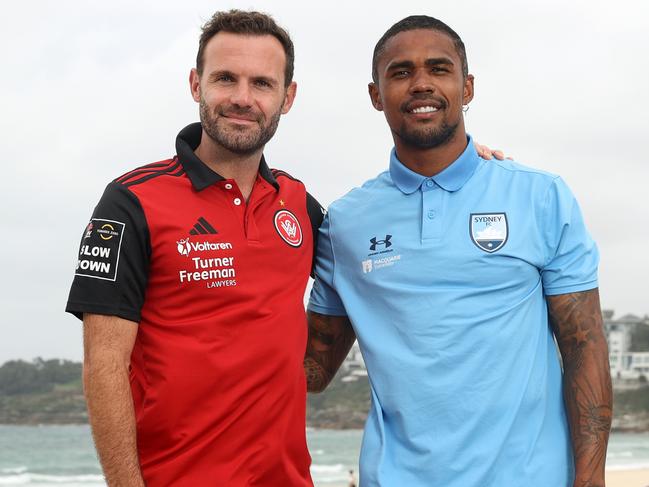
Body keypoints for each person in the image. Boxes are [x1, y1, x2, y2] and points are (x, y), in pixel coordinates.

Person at [305, 15, 612, 487]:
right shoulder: (344, 223)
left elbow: (584, 348)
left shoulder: (540, 197)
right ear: (375, 95)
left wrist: (590, 480)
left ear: (467, 87)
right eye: (401, 72)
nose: (421, 84)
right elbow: (314, 369)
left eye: (439, 69)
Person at [66, 10, 323, 486]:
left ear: (287, 97)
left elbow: (371, 273)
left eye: (262, 84)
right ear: (195, 83)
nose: (242, 99)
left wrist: (469, 159)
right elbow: (103, 368)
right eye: (225, 78)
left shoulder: (299, 204)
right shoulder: (130, 202)